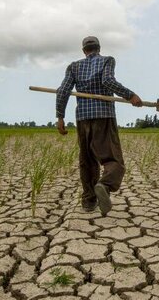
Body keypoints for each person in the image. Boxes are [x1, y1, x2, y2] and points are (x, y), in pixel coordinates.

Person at [56, 35, 142, 214]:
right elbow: (107, 81)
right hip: (103, 116)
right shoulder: (107, 61)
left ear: (84, 50)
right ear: (99, 48)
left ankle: (88, 201)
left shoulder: (74, 66)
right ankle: (105, 184)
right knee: (112, 159)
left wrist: (60, 117)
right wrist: (130, 95)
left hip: (82, 118)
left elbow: (63, 90)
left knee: (87, 161)